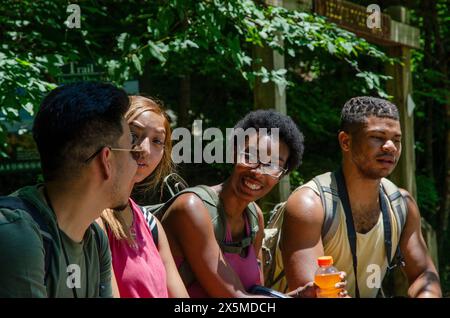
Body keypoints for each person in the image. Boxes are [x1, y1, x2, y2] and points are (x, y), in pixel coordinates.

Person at [281, 96, 442, 298]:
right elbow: (314, 293)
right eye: (377, 137)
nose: (391, 147)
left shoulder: (401, 204)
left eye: (397, 139)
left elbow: (423, 274)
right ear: (346, 142)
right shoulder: (310, 205)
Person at [161, 109, 326, 298]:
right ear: (233, 153)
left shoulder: (254, 217)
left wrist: (300, 295)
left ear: (281, 175)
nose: (257, 172)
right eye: (250, 156)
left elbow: (254, 293)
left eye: (272, 165)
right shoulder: (192, 208)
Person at [0, 82, 139, 297]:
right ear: (106, 161)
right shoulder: (16, 233)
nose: (137, 164)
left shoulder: (95, 240)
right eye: (132, 150)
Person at [98, 96, 188, 298]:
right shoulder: (92, 219)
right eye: (133, 134)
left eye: (157, 141)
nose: (144, 149)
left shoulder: (151, 224)